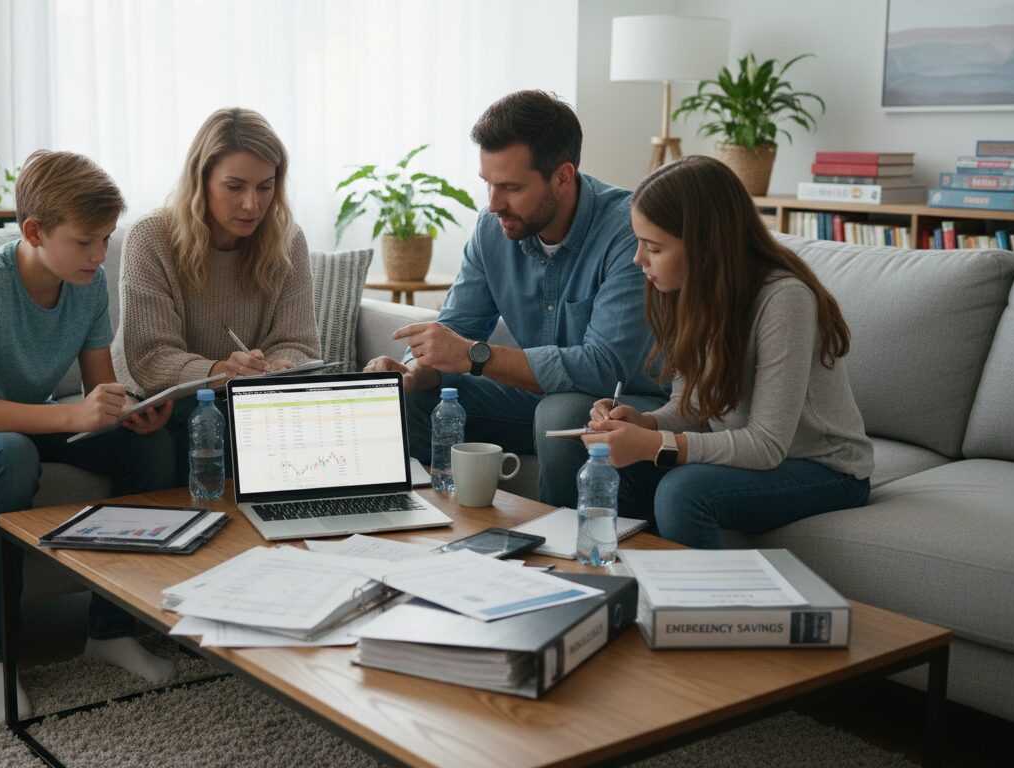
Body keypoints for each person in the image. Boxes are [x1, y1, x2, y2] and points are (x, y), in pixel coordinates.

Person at [0, 151, 178, 721]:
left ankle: (110, 630)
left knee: (151, 449)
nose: (100, 256)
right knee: (9, 454)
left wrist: (131, 415)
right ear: (34, 231)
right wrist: (75, 417)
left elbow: (101, 390)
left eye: (106, 239)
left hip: (29, 411)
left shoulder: (88, 283)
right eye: (85, 242)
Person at [365, 90, 665, 507]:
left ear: (562, 176)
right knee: (414, 399)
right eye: (488, 183)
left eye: (510, 187)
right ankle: (430, 530)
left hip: (623, 403)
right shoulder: (494, 228)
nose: (493, 204)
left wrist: (476, 356)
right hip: (536, 401)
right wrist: (416, 369)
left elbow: (603, 365)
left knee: (560, 414)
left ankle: (563, 556)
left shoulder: (628, 231)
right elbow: (457, 329)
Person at [580, 155, 874, 549]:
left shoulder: (785, 299)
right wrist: (644, 424)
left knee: (682, 492)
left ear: (705, 247)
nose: (638, 259)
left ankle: (697, 607)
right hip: (761, 454)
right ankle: (629, 592)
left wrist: (655, 445)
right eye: (639, 242)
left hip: (826, 469)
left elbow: (767, 445)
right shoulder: (687, 292)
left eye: (653, 247)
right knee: (618, 469)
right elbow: (699, 409)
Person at [113, 107, 319, 483]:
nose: (252, 205)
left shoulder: (288, 241)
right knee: (208, 421)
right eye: (235, 187)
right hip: (161, 400)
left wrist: (280, 366)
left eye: (265, 187)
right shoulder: (151, 237)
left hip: (247, 398)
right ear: (201, 179)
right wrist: (219, 372)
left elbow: (298, 342)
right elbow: (151, 357)